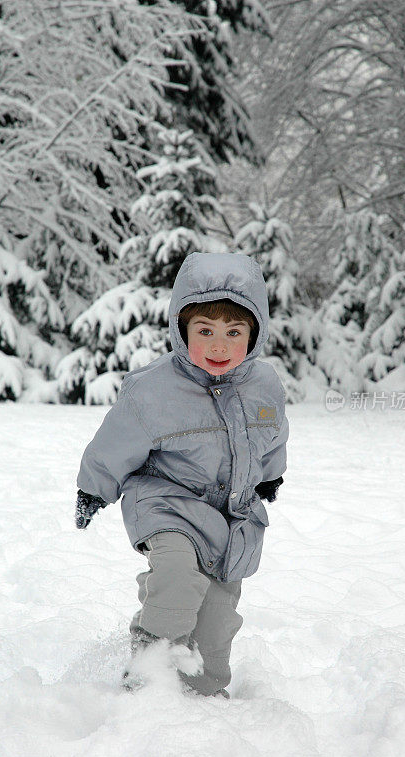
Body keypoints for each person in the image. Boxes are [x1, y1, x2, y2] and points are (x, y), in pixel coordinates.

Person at [75, 251, 289, 697]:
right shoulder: (152, 389)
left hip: (231, 518)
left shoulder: (265, 385)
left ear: (254, 334)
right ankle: (146, 676)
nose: (219, 346)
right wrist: (94, 490)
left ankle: (204, 693)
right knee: (175, 574)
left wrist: (270, 475)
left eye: (234, 332)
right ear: (180, 329)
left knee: (216, 621)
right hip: (165, 502)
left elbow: (272, 433)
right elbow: (114, 442)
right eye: (204, 331)